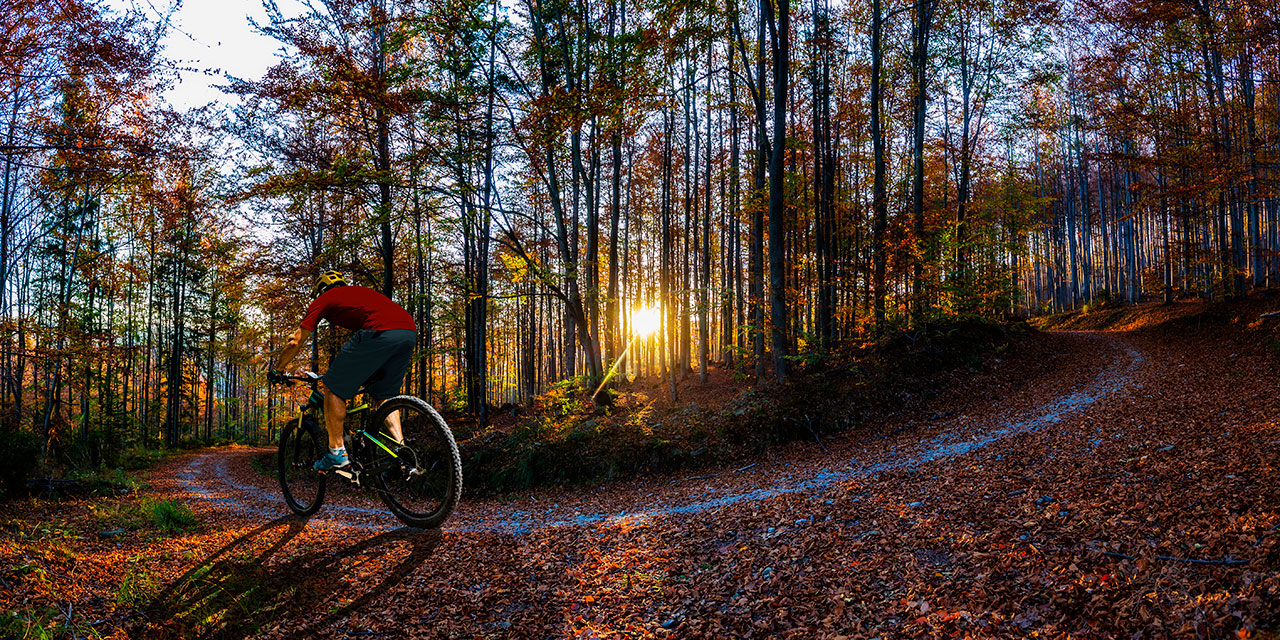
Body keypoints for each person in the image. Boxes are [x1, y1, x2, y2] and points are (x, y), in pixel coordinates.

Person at [269, 271, 417, 471]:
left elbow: (295, 341)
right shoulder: (361, 293)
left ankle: (337, 453)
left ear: (321, 290)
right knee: (383, 394)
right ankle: (402, 448)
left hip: (379, 331)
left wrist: (278, 369)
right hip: (408, 332)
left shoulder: (326, 298)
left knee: (332, 387)